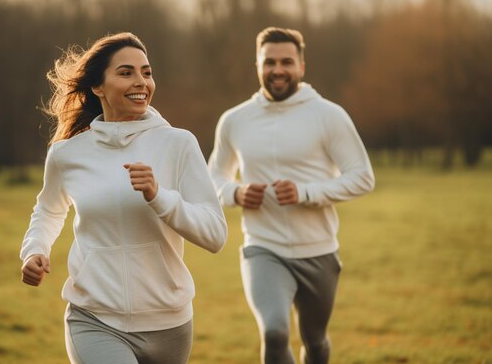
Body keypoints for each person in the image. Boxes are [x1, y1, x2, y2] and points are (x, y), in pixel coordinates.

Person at [20, 32, 227, 364]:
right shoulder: (67, 154)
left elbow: (215, 235)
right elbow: (48, 209)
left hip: (170, 324)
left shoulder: (178, 144)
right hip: (95, 318)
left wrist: (160, 197)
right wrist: (34, 250)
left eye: (146, 72)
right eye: (126, 72)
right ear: (97, 86)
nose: (141, 81)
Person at [208, 27, 375, 364]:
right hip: (263, 248)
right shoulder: (234, 120)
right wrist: (235, 193)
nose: (278, 69)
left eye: (287, 61)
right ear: (257, 65)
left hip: (319, 252)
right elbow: (213, 176)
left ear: (302, 66)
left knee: (315, 341)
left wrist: (306, 192)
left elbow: (363, 178)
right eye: (269, 62)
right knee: (274, 332)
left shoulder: (329, 115)